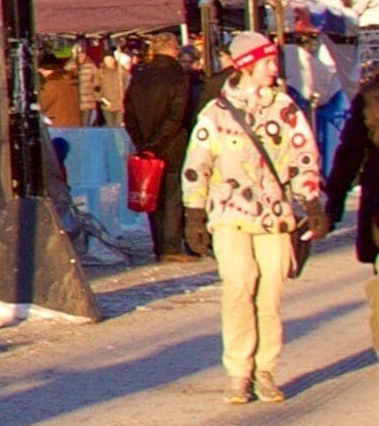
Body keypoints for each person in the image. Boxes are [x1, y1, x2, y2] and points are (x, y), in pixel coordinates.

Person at [183, 31, 323, 402]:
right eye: (267, 61)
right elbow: (196, 164)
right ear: (247, 65)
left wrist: (312, 202)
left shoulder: (285, 109)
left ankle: (265, 370)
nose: (274, 68)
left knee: (270, 293)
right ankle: (238, 371)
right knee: (239, 285)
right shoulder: (215, 113)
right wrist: (194, 213)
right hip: (229, 213)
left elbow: (304, 155)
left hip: (274, 215)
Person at [317, 45, 379, 361]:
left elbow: (348, 156)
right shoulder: (370, 99)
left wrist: (334, 206)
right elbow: (349, 155)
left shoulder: (370, 97)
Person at [123, 33, 205, 260]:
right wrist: (157, 144)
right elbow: (176, 116)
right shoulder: (178, 76)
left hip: (145, 143)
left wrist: (142, 143)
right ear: (174, 50)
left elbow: (128, 113)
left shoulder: (139, 76)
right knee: (172, 195)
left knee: (152, 194)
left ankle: (159, 245)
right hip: (172, 144)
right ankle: (171, 247)